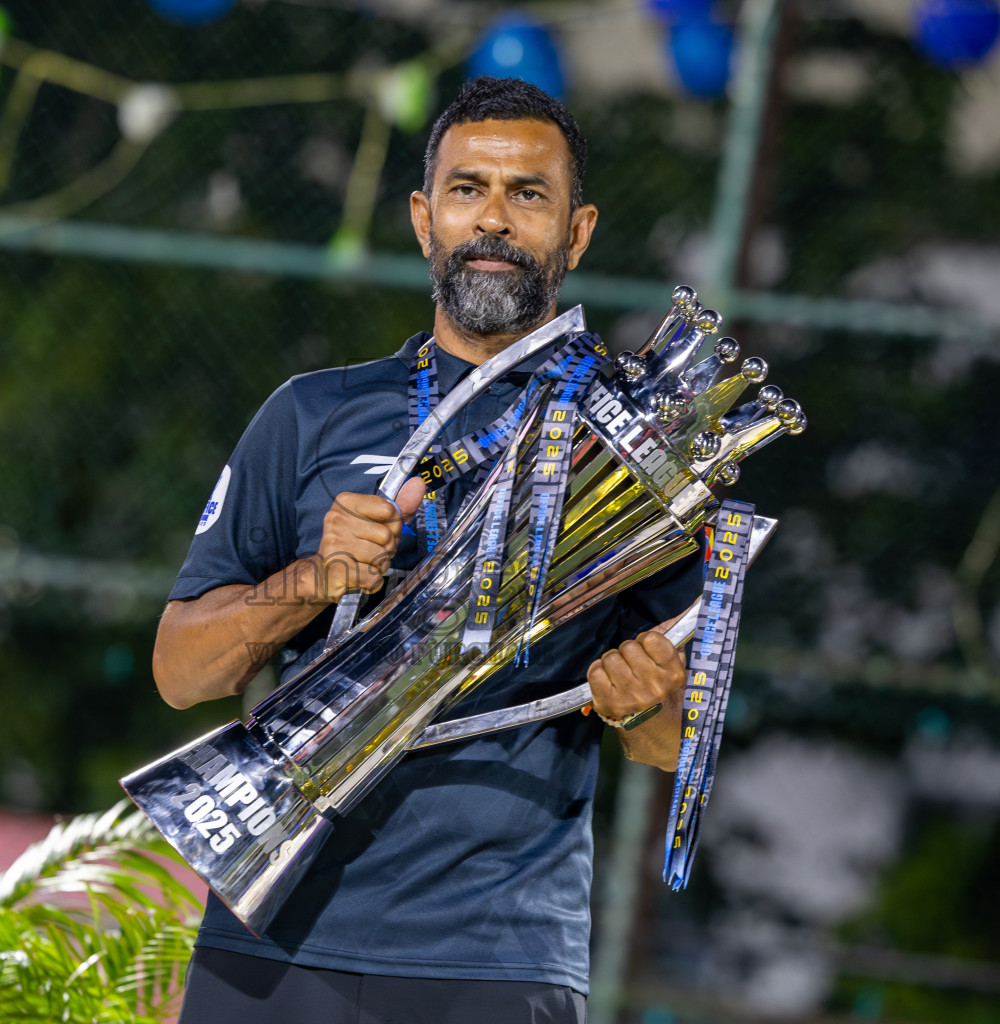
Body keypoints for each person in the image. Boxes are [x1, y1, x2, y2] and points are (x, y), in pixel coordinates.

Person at [154, 77, 699, 1024]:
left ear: (576, 232)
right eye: (466, 190)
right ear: (423, 219)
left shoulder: (633, 447)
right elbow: (180, 672)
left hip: (495, 954)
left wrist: (644, 705)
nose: (493, 218)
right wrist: (313, 579)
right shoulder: (311, 413)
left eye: (527, 194)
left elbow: (675, 743)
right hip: (271, 931)